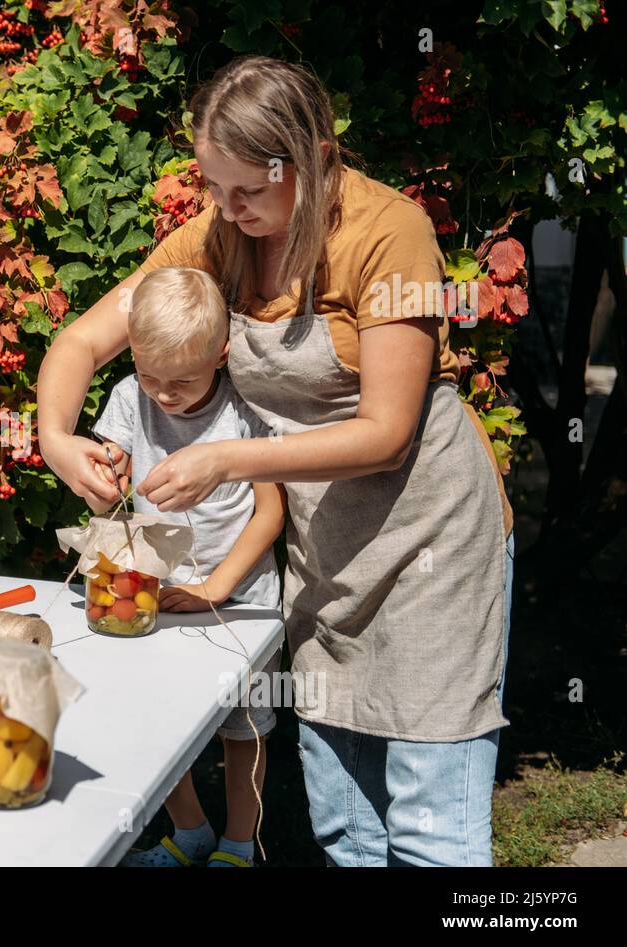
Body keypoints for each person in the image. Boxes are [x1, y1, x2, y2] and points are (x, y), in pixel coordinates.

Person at [36, 55, 515, 866]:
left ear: (308, 160)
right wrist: (55, 438)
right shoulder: (221, 234)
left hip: (428, 542)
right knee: (345, 824)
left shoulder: (389, 232)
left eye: (246, 191)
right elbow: (83, 339)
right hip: (326, 551)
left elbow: (387, 431)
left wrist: (227, 459)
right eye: (214, 187)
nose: (224, 209)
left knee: (431, 828)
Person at [89, 265, 285, 867]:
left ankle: (236, 844)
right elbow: (109, 468)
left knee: (243, 729)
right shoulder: (130, 397)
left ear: (221, 356)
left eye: (181, 380)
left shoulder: (243, 415)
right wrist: (105, 475)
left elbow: (271, 511)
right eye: (150, 375)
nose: (164, 394)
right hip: (159, 592)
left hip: (242, 598)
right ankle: (191, 829)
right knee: (152, 715)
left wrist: (217, 587)